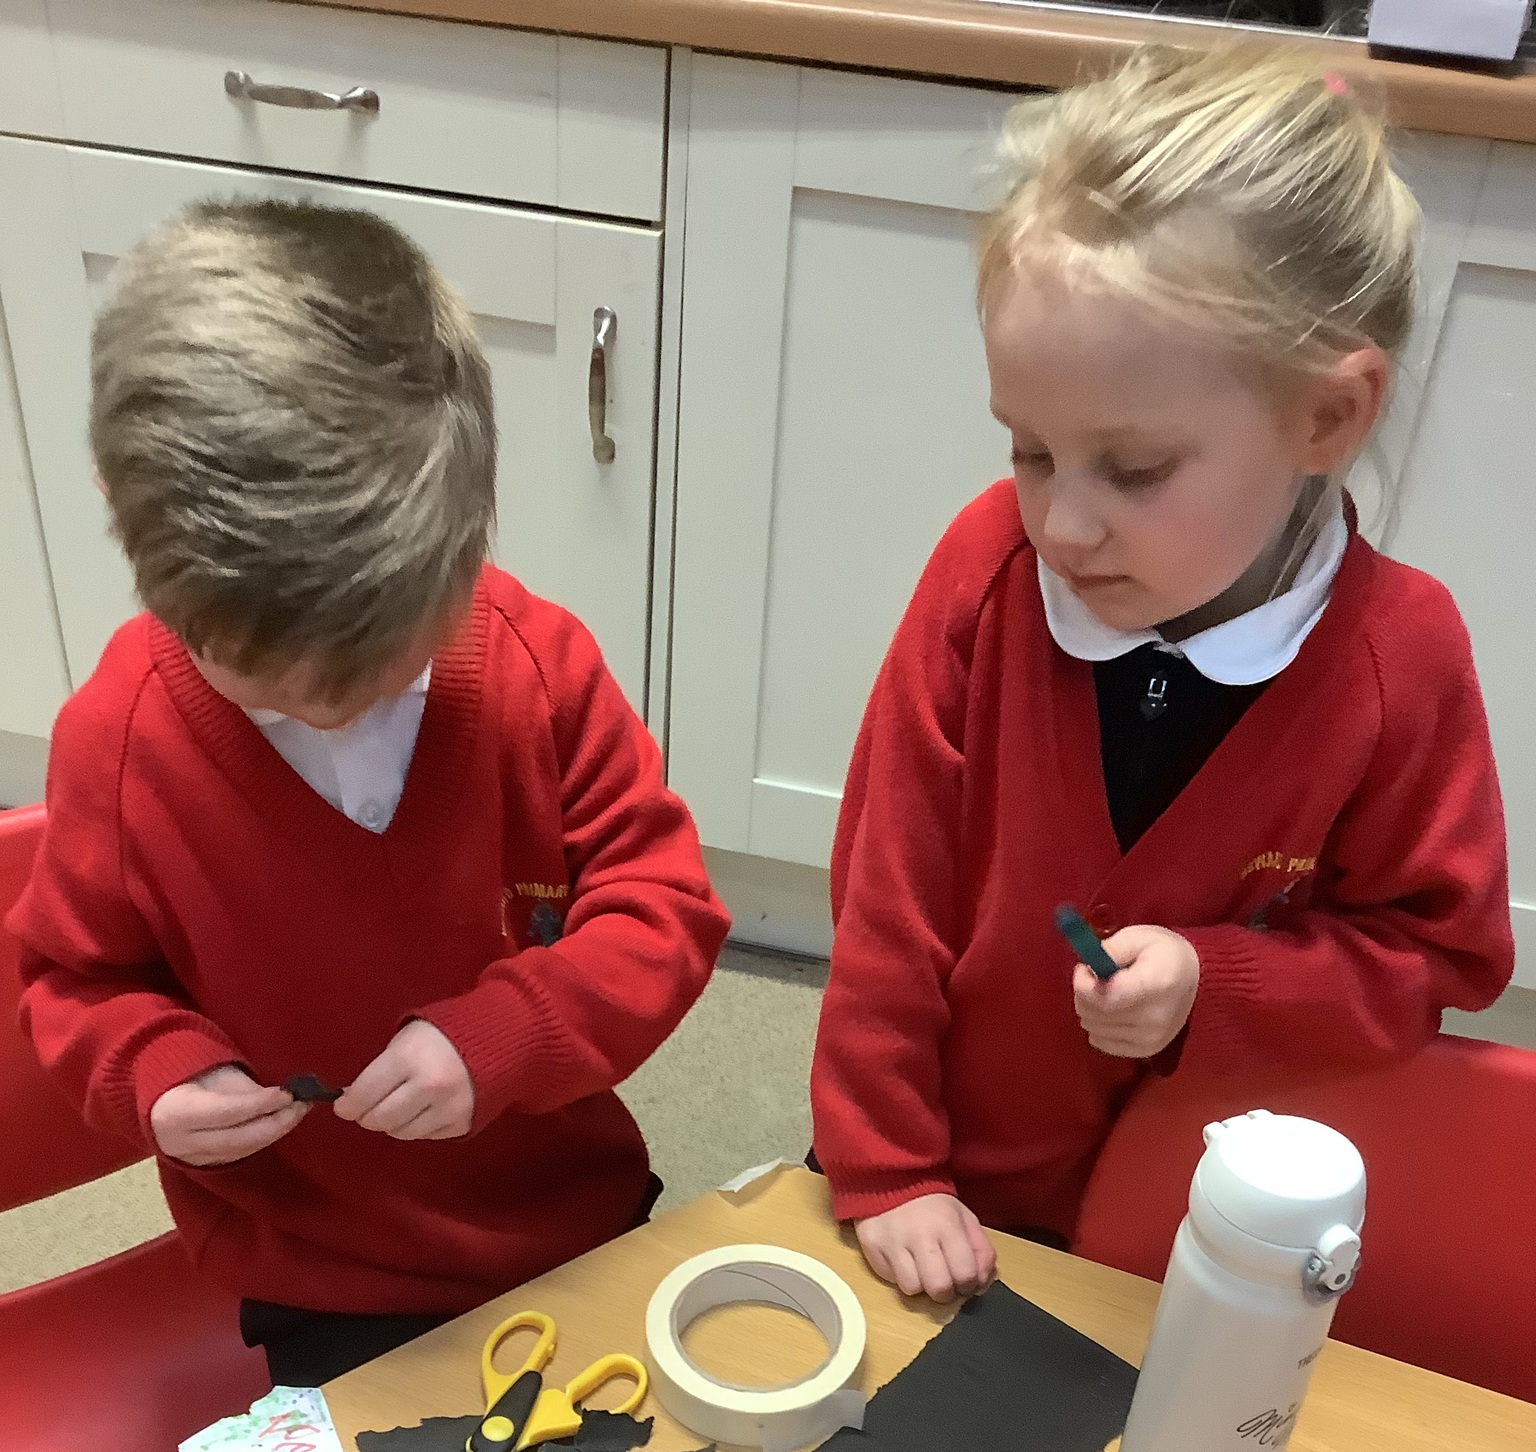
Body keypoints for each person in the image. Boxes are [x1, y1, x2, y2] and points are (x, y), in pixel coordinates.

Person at [810, 45, 1513, 1304]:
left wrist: (1217, 981)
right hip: (940, 1186)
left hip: (1199, 1242)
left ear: (1328, 417)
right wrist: (888, 1163)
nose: (1061, 524)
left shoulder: (1401, 659)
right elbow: (886, 903)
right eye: (1029, 450)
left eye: (1132, 470)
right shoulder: (984, 574)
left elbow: (1434, 961)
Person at [11, 198, 729, 1384]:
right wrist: (157, 1071)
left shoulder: (537, 670)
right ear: (124, 521)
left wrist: (509, 1033)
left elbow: (664, 908)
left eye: (381, 666)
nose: (330, 712)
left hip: (571, 1219)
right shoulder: (120, 743)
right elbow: (74, 982)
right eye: (262, 681)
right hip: (320, 1269)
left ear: (472, 531)